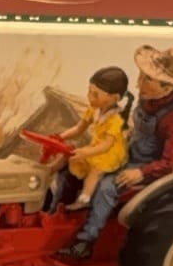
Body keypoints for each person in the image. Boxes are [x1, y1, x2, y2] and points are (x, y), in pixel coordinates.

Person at [56, 45, 173, 261]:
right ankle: (59, 219)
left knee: (107, 186)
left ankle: (85, 242)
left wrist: (140, 172)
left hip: (146, 167)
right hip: (126, 154)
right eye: (141, 77)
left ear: (167, 87)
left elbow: (168, 162)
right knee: (70, 166)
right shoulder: (146, 98)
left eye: (147, 80)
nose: (139, 84)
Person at [50, 66, 129, 212]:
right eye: (89, 92)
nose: (90, 97)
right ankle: (48, 172)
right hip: (95, 148)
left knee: (95, 170)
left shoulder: (115, 120)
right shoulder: (93, 110)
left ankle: (84, 199)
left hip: (110, 153)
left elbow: (106, 146)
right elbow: (79, 128)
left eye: (95, 95)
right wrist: (60, 136)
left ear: (115, 98)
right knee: (68, 154)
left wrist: (87, 152)